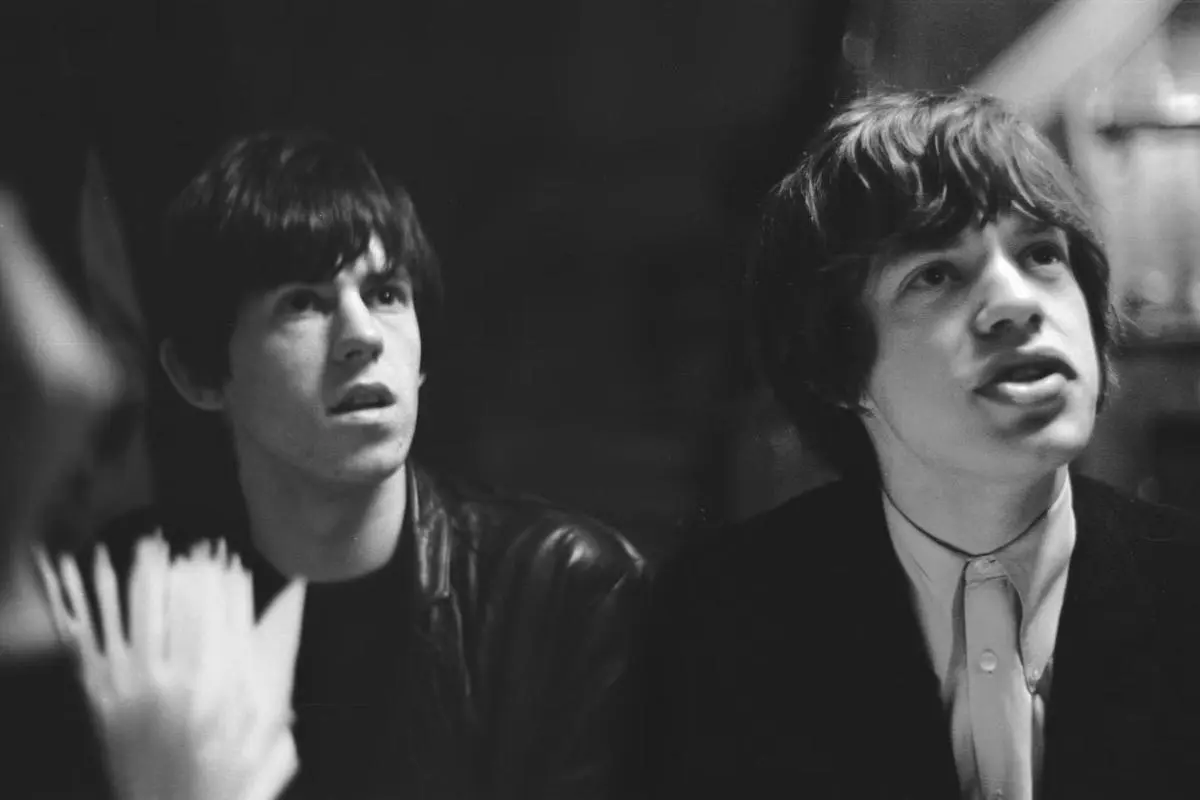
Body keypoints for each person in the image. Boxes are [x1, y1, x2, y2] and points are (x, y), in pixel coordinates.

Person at [641, 90, 1200, 799]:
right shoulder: (723, 616)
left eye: (1041, 254)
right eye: (935, 274)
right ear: (838, 369)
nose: (1016, 303)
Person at [87, 131, 647, 800]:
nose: (363, 337)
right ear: (198, 375)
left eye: (386, 294)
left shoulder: (559, 587)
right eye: (302, 302)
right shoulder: (129, 598)